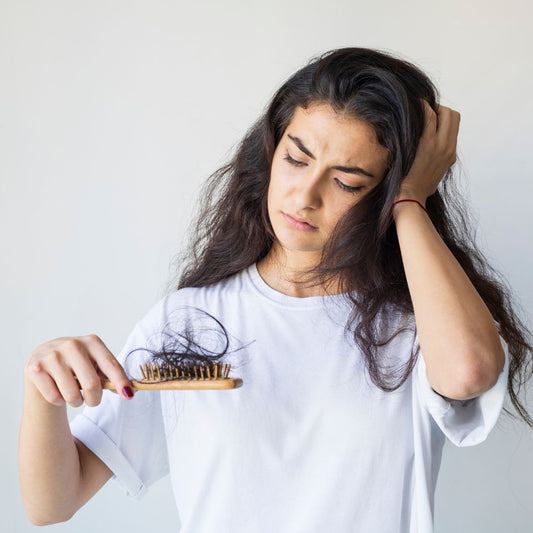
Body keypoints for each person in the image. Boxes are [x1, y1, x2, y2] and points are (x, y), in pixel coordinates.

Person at [19, 47, 533, 533]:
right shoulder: (190, 322)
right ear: (270, 150)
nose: (304, 195)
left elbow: (467, 373)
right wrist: (44, 387)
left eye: (348, 181)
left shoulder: (419, 322)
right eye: (296, 158)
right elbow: (51, 503)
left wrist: (411, 198)